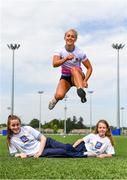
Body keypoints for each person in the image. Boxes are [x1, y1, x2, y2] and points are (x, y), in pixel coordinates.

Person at [48, 29, 92, 110]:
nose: (70, 38)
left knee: (74, 69)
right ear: (65, 38)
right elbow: (54, 64)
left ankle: (80, 90)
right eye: (68, 36)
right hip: (66, 77)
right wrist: (66, 58)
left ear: (75, 39)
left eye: (73, 37)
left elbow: (89, 68)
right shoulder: (59, 51)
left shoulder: (80, 52)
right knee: (59, 95)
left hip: (77, 76)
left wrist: (85, 80)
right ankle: (55, 100)